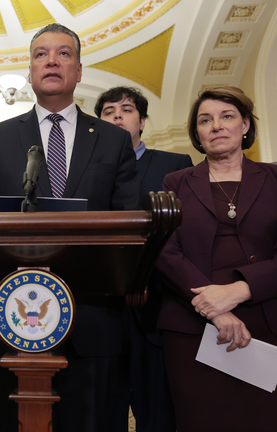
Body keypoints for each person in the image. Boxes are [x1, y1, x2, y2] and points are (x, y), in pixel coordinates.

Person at [0, 23, 140, 432]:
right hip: (14, 312)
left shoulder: (113, 140)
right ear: (29, 71)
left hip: (94, 313)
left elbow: (129, 224)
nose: (52, 61)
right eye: (41, 54)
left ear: (78, 71)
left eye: (63, 54)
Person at [155, 86, 277, 432]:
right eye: (205, 120)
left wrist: (238, 290)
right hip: (196, 324)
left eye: (227, 116)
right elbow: (166, 253)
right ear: (196, 133)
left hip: (275, 323)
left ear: (245, 124)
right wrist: (214, 306)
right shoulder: (176, 182)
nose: (216, 126)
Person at [95, 86, 192, 431]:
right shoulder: (87, 171)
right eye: (108, 112)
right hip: (101, 305)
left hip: (158, 303)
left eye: (126, 110)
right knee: (105, 410)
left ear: (143, 121)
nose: (117, 116)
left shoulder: (174, 167)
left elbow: (185, 233)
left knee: (159, 412)